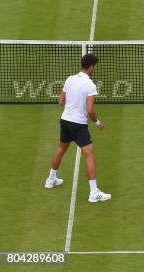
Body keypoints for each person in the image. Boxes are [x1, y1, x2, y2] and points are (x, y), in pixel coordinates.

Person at [45, 54, 111, 203]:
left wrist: (72, 106)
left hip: (65, 121)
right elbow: (90, 110)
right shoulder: (90, 85)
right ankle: (94, 193)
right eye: (95, 66)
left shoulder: (70, 79)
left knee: (61, 148)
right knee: (89, 154)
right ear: (91, 67)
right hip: (78, 125)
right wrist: (97, 123)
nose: (95, 69)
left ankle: (51, 179)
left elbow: (61, 101)